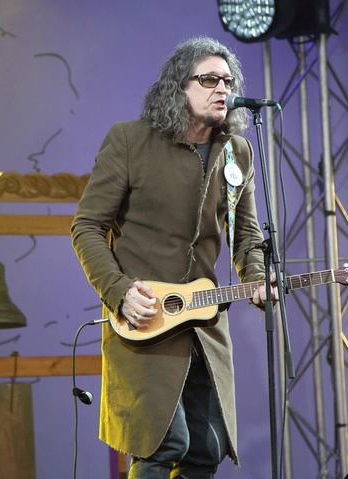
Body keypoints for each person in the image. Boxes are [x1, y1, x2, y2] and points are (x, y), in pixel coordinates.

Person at [71, 36, 277, 479]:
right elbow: (86, 227)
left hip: (204, 320)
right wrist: (119, 292)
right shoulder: (130, 141)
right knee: (163, 443)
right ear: (178, 87)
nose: (222, 89)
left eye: (228, 81)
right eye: (209, 80)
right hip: (144, 319)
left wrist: (256, 276)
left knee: (207, 447)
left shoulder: (237, 152)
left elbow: (246, 234)